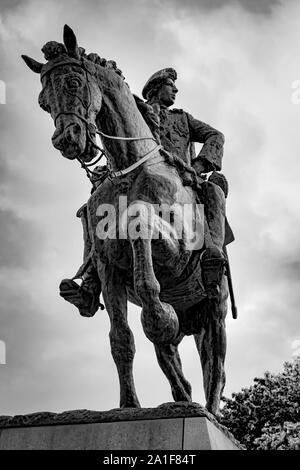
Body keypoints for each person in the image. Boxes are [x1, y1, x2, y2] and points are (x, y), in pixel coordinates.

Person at [60, 67, 233, 313]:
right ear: (155, 88)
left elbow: (215, 136)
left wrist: (199, 165)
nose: (175, 89)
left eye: (174, 85)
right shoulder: (134, 112)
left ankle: (212, 255)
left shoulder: (182, 118)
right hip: (134, 178)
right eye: (170, 85)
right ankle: (90, 281)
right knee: (92, 208)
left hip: (179, 178)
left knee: (214, 191)